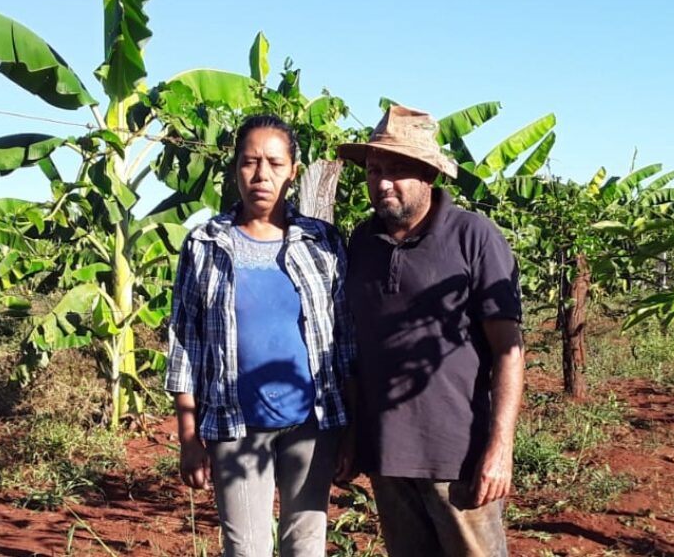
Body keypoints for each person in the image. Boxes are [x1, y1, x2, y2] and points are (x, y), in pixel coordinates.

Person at [165, 114, 357, 557]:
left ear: (293, 170)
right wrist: (188, 436)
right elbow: (185, 341)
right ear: (235, 169)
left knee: (304, 545)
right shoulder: (205, 244)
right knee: (244, 547)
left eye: (274, 162)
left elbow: (344, 340)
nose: (261, 174)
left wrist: (349, 430)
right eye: (250, 162)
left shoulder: (322, 242)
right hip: (234, 426)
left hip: (312, 424)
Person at [337, 104, 525, 557]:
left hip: (458, 456)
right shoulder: (361, 243)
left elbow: (508, 350)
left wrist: (500, 449)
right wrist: (350, 438)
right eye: (375, 169)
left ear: (428, 175)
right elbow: (356, 351)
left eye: (398, 170)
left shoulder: (473, 237)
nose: (382, 182)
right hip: (388, 455)